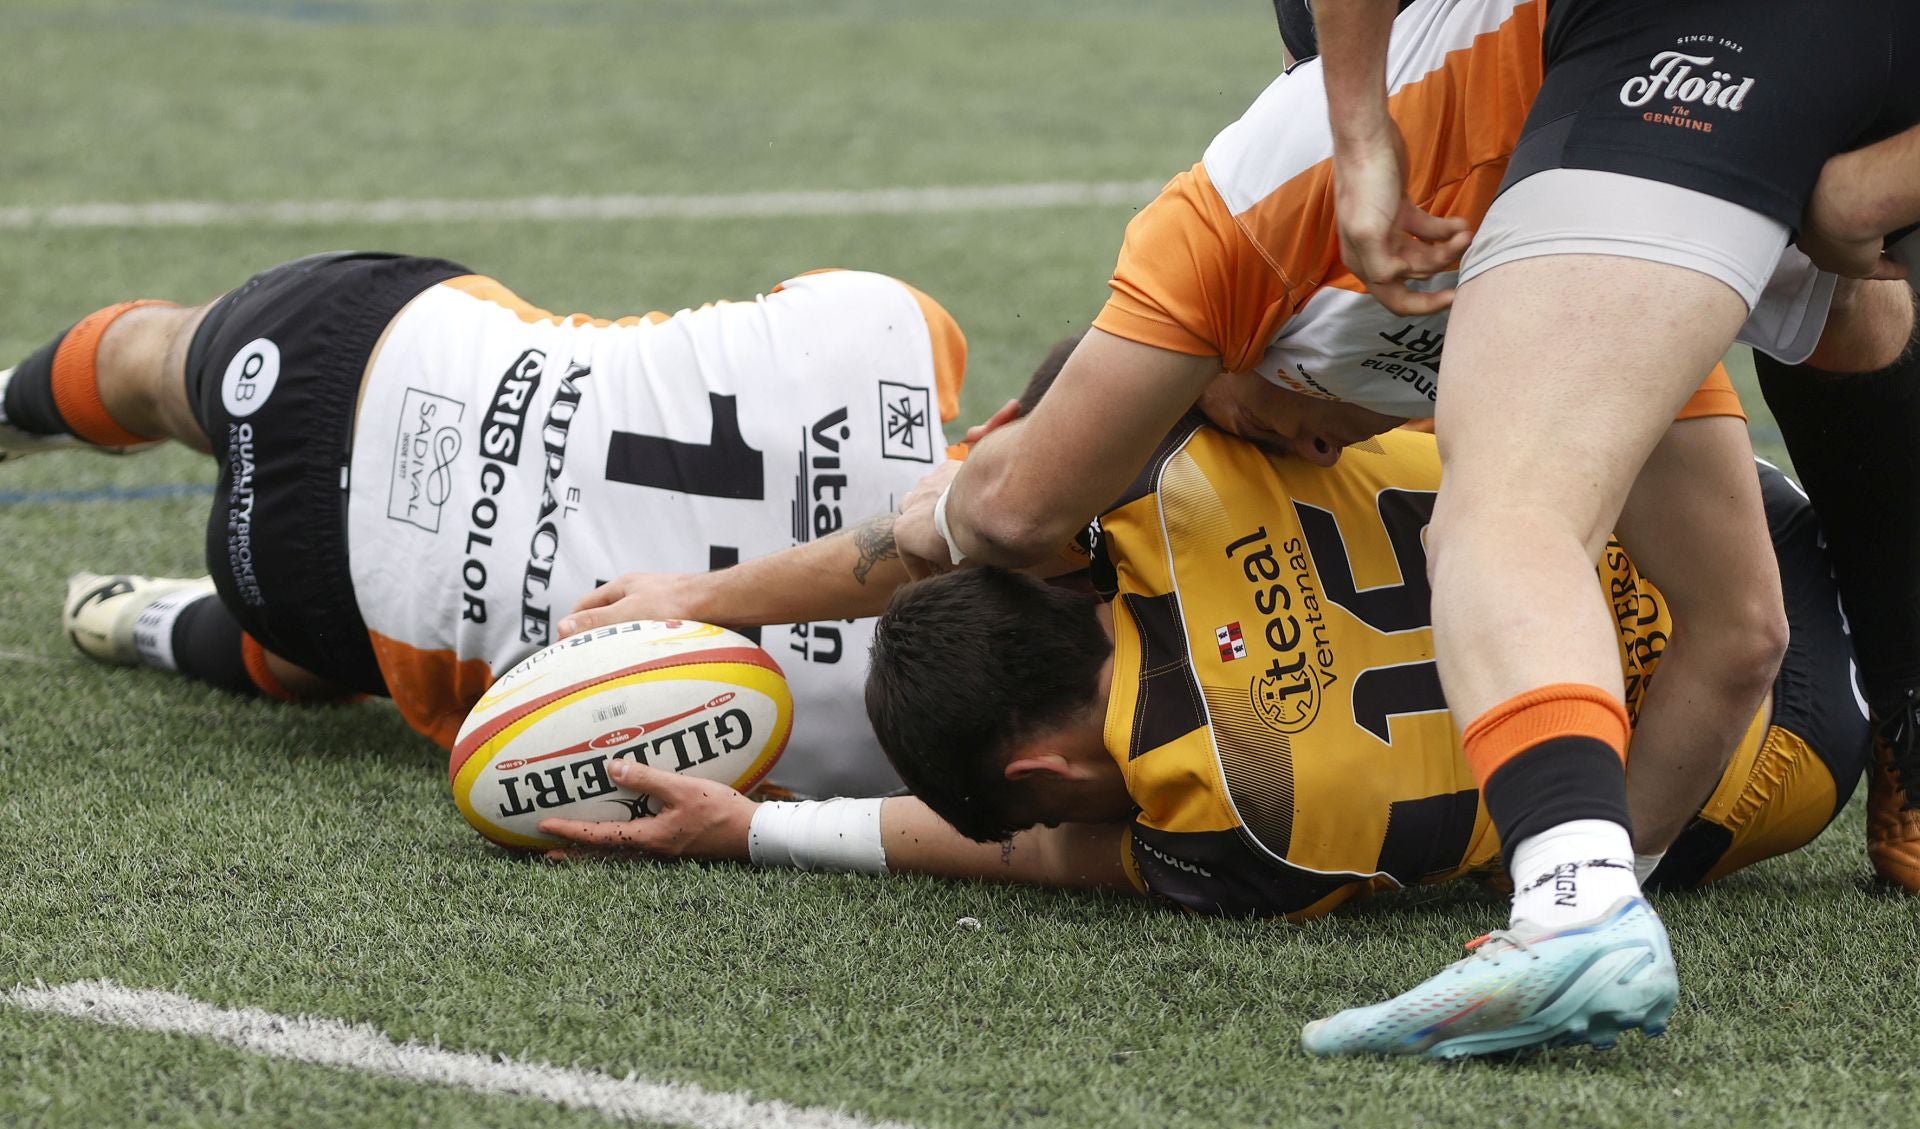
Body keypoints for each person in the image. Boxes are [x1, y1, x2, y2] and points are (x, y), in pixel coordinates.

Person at [875, 0, 1915, 1058]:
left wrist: (928, 521)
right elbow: (1743, 632)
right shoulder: (1504, 222)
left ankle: (1577, 902)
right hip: (1730, 106)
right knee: (1849, 306)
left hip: (1649, 79)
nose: (1321, 451)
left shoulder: (1244, 224)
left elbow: (1013, 511)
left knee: (1505, 511)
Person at [546, 345, 1868, 1055]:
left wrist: (760, 827)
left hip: (1791, 737)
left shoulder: (1230, 828)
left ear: (1051, 773)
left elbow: (1064, 857)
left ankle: (1593, 898)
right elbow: (943, 528)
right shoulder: (1140, 480)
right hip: (1707, 494)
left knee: (1575, 830)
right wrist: (717, 597)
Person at [1, 251, 966, 798]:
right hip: (322, 593)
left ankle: (14, 409)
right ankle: (148, 624)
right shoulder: (891, 756)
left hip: (374, 358)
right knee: (367, 656)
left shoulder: (897, 329)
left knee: (150, 357)